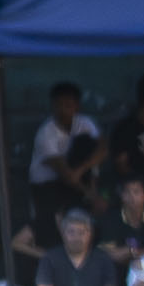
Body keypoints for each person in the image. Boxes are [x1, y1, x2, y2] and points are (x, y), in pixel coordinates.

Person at [28, 81, 106, 237]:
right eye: (59, 105)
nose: (63, 110)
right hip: (47, 186)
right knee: (52, 229)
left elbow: (103, 149)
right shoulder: (46, 133)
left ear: (77, 106)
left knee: (85, 141)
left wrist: (85, 173)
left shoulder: (85, 123)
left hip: (79, 181)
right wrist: (92, 197)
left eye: (68, 105)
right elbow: (67, 175)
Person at [35, 210, 120, 286]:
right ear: (63, 233)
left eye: (81, 232)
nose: (76, 237)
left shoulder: (103, 259)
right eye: (71, 232)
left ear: (90, 234)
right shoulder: (50, 258)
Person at [100, 177, 144, 270]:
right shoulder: (111, 218)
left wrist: (127, 253)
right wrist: (133, 252)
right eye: (127, 192)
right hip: (117, 273)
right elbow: (107, 253)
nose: (132, 197)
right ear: (122, 196)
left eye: (136, 192)